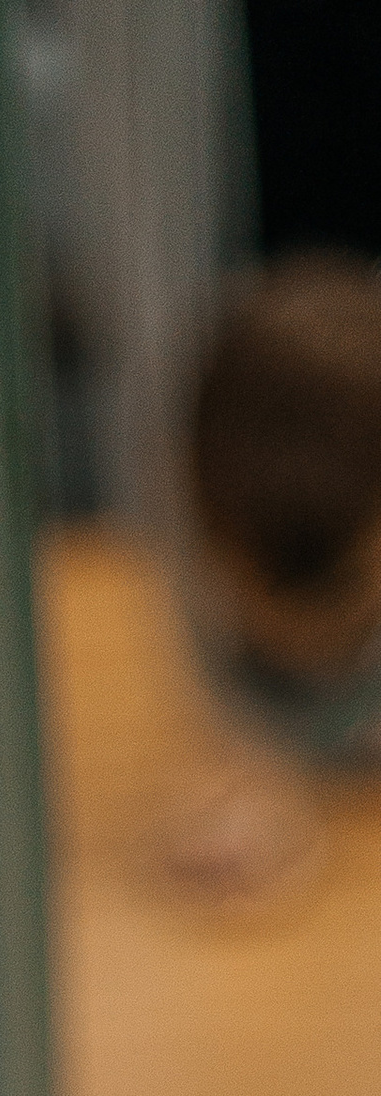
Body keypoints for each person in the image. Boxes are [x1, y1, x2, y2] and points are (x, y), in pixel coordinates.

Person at [160, 255, 381, 892]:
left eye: (342, 610)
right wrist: (258, 780)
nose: (306, 651)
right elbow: (240, 729)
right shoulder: (197, 543)